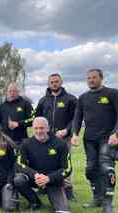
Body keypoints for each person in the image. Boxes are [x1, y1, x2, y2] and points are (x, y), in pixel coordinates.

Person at [71, 68, 118, 213]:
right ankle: (97, 198)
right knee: (90, 169)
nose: (91, 80)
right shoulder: (83, 97)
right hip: (89, 139)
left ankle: (108, 204)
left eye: (94, 77)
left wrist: (117, 133)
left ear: (101, 78)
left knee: (107, 169)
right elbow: (77, 117)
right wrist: (75, 134)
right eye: (88, 78)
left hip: (108, 138)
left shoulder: (114, 94)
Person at [15, 117, 72, 213]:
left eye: (41, 128)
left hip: (53, 181)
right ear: (32, 129)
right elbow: (19, 164)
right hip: (35, 178)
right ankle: (35, 202)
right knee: (18, 180)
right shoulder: (26, 144)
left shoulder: (60, 144)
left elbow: (67, 169)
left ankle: (56, 198)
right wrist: (35, 174)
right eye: (36, 128)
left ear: (48, 128)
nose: (38, 131)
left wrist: (49, 178)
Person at [35, 73, 77, 201]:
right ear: (48, 84)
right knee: (45, 161)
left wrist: (67, 130)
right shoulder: (43, 100)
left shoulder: (70, 99)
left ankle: (68, 189)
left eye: (56, 81)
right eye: (52, 82)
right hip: (47, 139)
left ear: (61, 82)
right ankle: (44, 186)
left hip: (64, 138)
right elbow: (37, 118)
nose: (54, 83)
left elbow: (76, 118)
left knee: (64, 163)